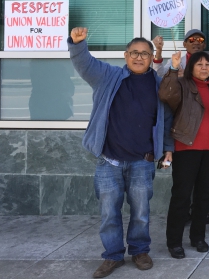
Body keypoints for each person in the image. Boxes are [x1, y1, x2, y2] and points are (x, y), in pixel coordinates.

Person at [68, 27, 173, 279]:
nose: (139, 57)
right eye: (134, 53)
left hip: (142, 161)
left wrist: (168, 149)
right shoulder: (108, 76)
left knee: (140, 212)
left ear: (151, 58)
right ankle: (112, 255)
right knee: (109, 213)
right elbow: (84, 63)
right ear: (126, 56)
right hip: (109, 162)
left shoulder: (160, 86)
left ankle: (139, 251)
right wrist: (77, 43)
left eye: (145, 54)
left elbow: (167, 120)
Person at [158, 50, 209, 259]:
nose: (204, 68)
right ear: (191, 68)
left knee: (204, 197)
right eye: (199, 64)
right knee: (181, 196)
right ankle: (174, 242)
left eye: (207, 64)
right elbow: (165, 94)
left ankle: (197, 237)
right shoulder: (182, 85)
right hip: (186, 149)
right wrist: (173, 69)